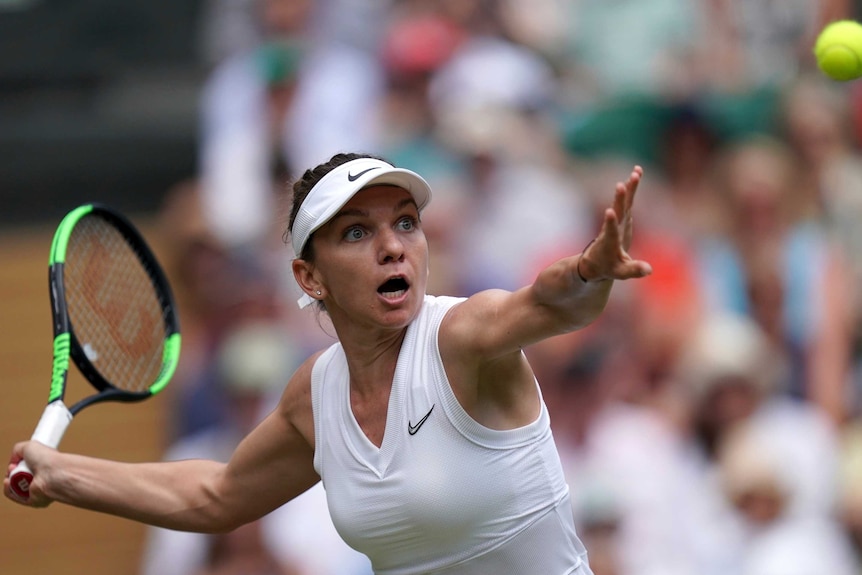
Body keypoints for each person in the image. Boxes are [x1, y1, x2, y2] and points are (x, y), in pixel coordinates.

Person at [4, 152, 652, 574]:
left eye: (405, 222)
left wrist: (591, 273)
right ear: (309, 276)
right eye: (357, 233)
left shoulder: (463, 334)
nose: (394, 246)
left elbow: (549, 303)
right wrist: (64, 475)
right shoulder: (313, 397)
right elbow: (215, 494)